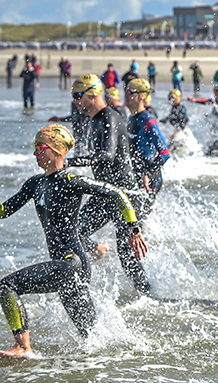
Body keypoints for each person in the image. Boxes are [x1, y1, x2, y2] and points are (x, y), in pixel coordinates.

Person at [0, 124, 148, 358]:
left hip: (73, 264)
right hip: (65, 265)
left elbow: (117, 193)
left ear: (57, 151)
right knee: (92, 340)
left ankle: (23, 346)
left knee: (6, 287)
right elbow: (5, 210)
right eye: (35, 148)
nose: (35, 153)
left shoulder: (71, 180)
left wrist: (134, 228)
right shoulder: (35, 184)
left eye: (40, 147)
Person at [67, 74, 152, 296]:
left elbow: (107, 155)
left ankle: (149, 298)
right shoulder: (94, 119)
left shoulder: (109, 118)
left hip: (125, 197)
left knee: (128, 260)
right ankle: (98, 250)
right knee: (72, 232)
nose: (75, 101)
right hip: (106, 194)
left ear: (93, 94)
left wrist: (69, 162)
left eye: (78, 95)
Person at [125, 78, 170, 201]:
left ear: (140, 97)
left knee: (141, 218)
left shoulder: (148, 120)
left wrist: (147, 173)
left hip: (149, 179)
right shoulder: (131, 118)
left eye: (130, 92)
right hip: (137, 174)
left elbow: (165, 153)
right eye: (126, 90)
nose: (126, 95)